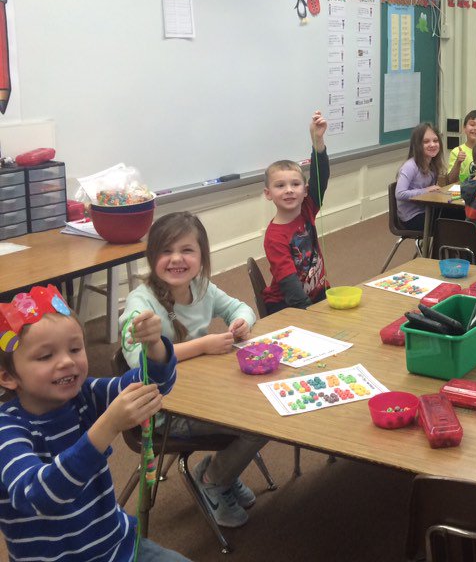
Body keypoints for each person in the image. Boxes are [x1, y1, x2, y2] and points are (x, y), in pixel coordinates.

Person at [0, 286, 186, 561]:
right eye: (45, 356)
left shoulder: (84, 394)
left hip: (118, 546)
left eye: (75, 349)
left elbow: (151, 385)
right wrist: (107, 426)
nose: (67, 361)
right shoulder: (7, 430)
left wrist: (155, 346)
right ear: (7, 377)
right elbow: (39, 496)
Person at [122, 212, 268, 529]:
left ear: (201, 257)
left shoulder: (201, 287)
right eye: (166, 251)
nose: (177, 259)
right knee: (259, 424)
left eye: (187, 250)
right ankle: (215, 479)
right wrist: (201, 346)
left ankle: (220, 473)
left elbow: (241, 308)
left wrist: (241, 322)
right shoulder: (140, 302)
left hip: (204, 393)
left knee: (267, 404)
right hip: (163, 411)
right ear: (152, 257)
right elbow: (138, 362)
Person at [262, 111, 330, 312]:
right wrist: (313, 314)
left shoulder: (307, 208)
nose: (289, 190)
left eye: (295, 184)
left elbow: (321, 176)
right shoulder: (274, 237)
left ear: (305, 190)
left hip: (316, 293)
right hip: (286, 305)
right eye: (280, 186)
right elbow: (289, 284)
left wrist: (317, 141)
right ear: (268, 193)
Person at [395, 122, 446, 232]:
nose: (432, 145)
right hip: (412, 217)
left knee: (460, 214)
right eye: (426, 142)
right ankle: (438, 249)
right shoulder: (410, 166)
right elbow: (399, 193)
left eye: (435, 141)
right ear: (417, 145)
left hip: (426, 210)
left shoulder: (432, 165)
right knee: (449, 225)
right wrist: (426, 190)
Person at [445, 109, 476, 184]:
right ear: (464, 128)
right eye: (472, 124)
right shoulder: (457, 151)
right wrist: (458, 162)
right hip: (463, 191)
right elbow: (451, 181)